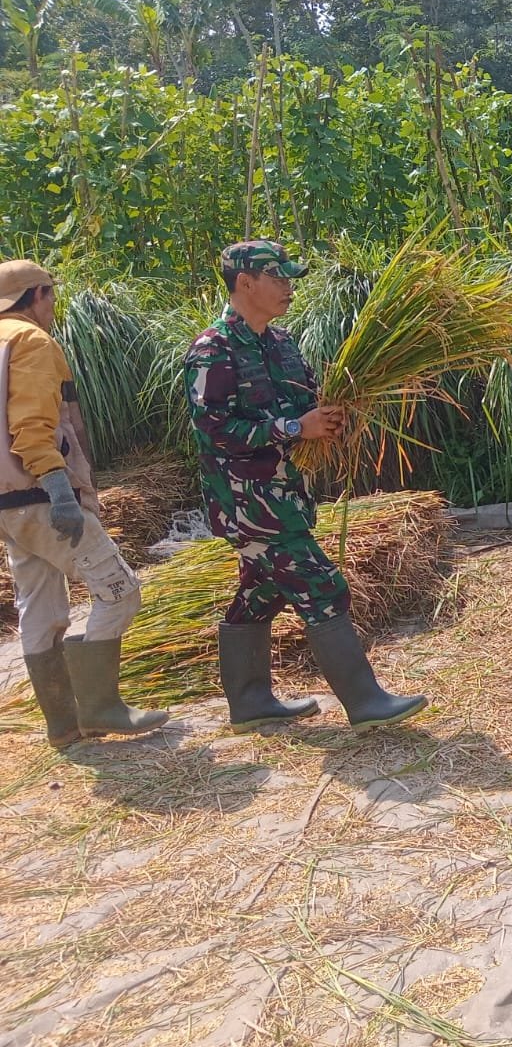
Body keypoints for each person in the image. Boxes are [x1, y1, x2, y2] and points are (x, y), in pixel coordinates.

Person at [184, 240, 427, 732]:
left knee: (259, 594)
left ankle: (250, 703)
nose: (288, 288)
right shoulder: (213, 349)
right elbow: (213, 431)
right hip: (246, 499)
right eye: (278, 278)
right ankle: (365, 703)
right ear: (245, 283)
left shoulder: (282, 343)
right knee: (322, 586)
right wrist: (293, 429)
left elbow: (306, 402)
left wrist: (331, 417)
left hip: (284, 491)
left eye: (289, 278)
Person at [0, 260, 166, 747]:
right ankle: (100, 708)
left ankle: (64, 724)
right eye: (51, 294)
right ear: (35, 295)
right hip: (42, 498)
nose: (54, 305)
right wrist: (57, 488)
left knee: (42, 607)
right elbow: (32, 425)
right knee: (120, 589)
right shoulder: (30, 341)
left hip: (8, 507)